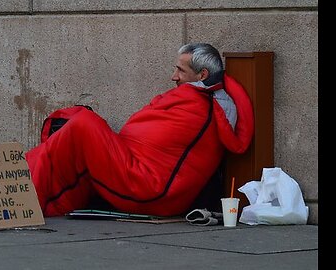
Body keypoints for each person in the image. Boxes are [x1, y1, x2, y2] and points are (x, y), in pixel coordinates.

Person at [25, 42, 254, 217]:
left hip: (150, 189)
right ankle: (20, 178)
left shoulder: (201, 107)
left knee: (85, 123)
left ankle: (23, 192)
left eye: (180, 71)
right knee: (76, 125)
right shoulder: (197, 101)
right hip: (141, 176)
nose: (173, 77)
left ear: (202, 75)